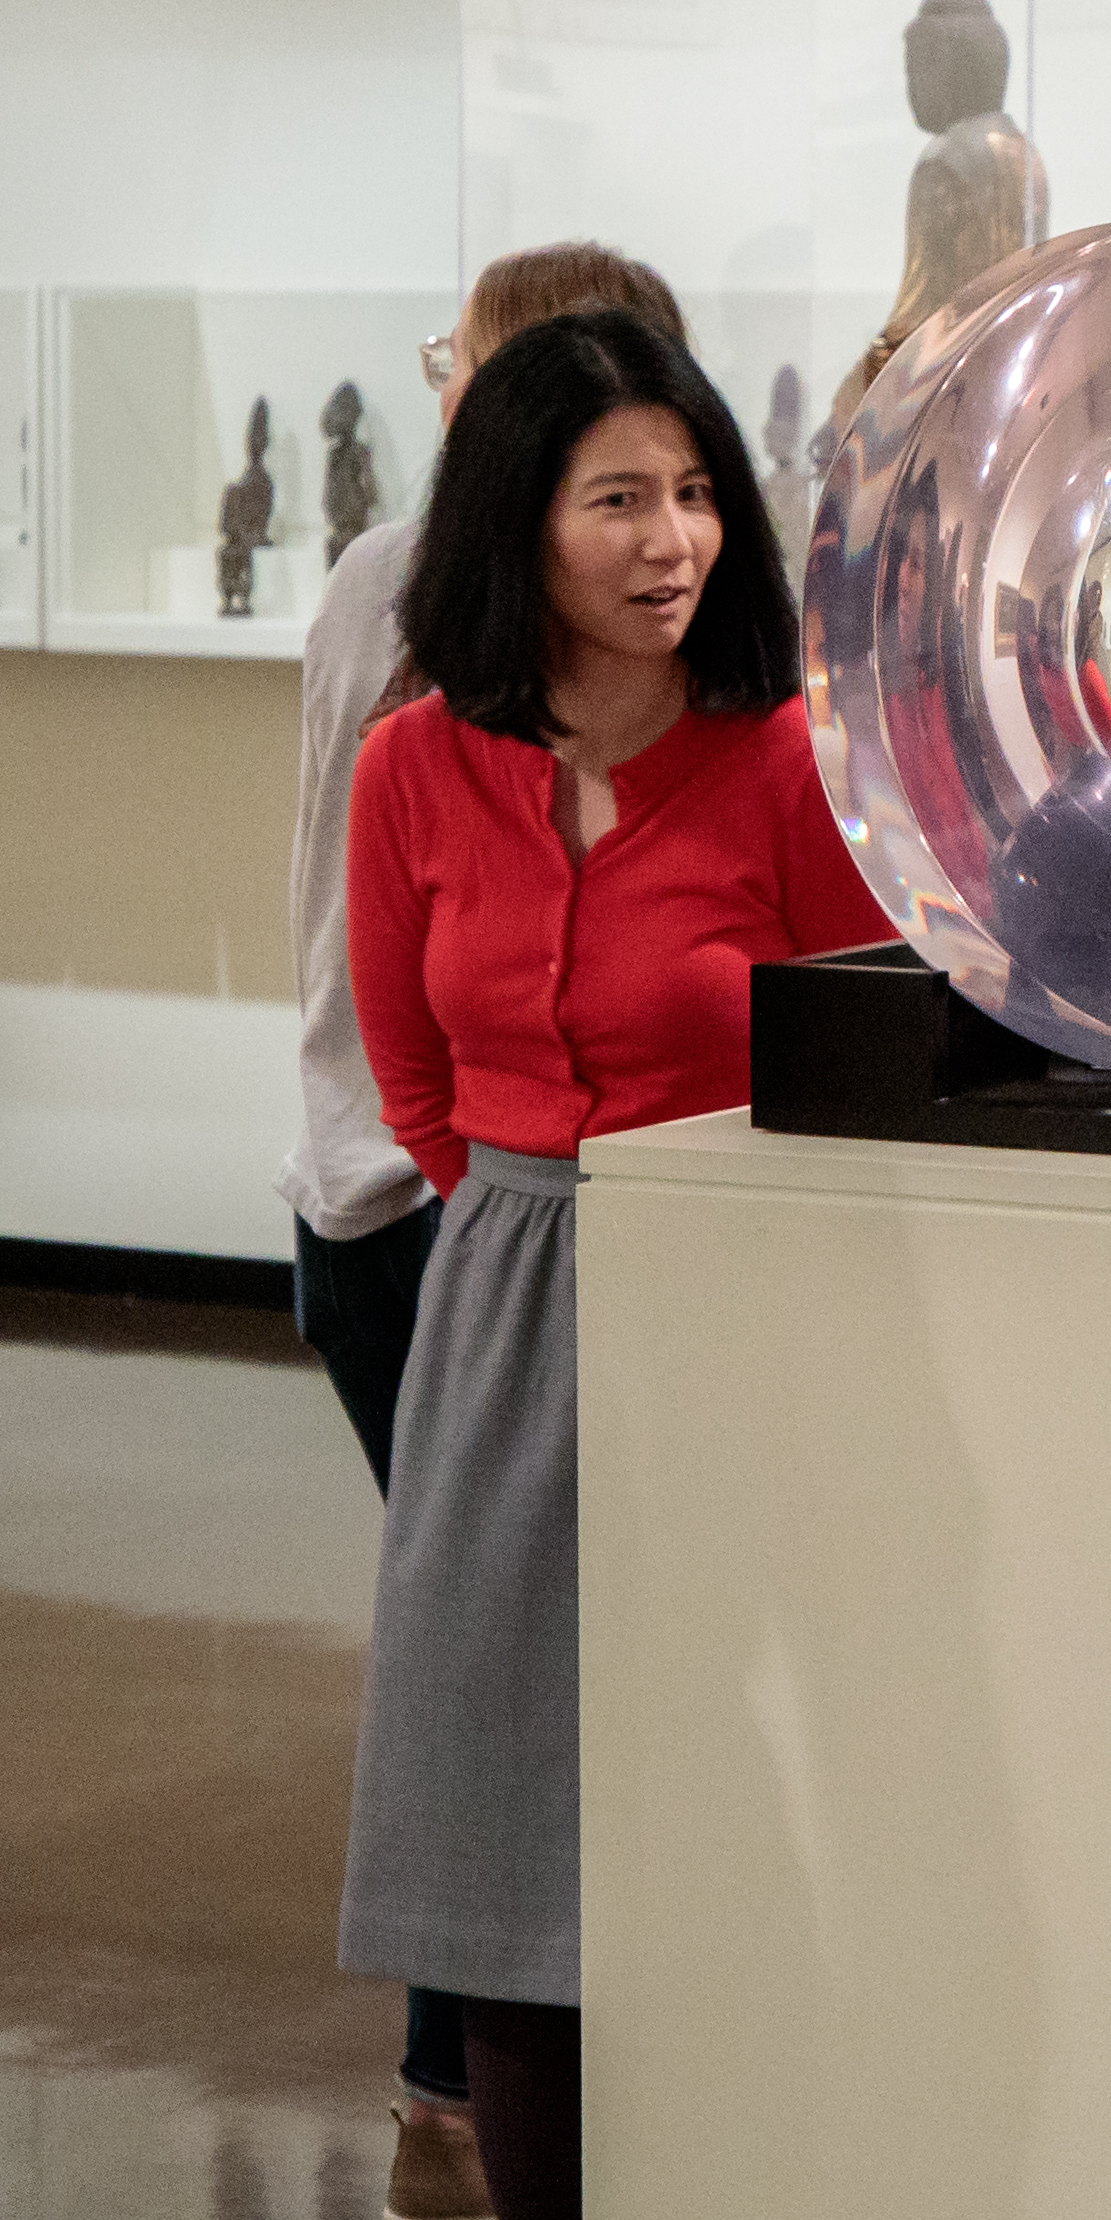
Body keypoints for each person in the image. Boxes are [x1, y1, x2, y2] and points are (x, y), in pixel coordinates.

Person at [343, 307, 897, 2220]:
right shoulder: (415, 769)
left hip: (748, 1316)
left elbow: (882, 1046)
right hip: (511, 1310)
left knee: (756, 1854)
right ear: (520, 524)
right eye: (618, 498)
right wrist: (534, 1228)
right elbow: (409, 1069)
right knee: (505, 1889)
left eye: (689, 492)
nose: (671, 538)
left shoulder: (784, 758)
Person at [289, 247, 678, 2220]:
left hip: (458, 1206)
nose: (656, 526)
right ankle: (462, 2124)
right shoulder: (404, 605)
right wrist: (483, 1194)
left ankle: (473, 2114)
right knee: (497, 1695)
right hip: (435, 1217)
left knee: (539, 1690)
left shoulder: (714, 717)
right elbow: (389, 972)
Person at [285, 245, 687, 1492]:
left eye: (451, 365)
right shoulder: (404, 595)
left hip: (442, 1186)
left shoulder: (418, 588)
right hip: (449, 1188)